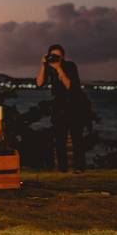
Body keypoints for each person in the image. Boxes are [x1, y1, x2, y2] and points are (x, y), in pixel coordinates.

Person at [35, 44, 86, 172]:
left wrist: (59, 69)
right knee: (59, 139)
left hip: (75, 105)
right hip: (59, 106)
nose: (55, 58)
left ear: (63, 56)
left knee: (77, 138)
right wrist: (42, 65)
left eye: (57, 56)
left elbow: (69, 85)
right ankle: (63, 168)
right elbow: (39, 83)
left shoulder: (70, 66)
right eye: (52, 55)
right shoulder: (49, 67)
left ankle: (79, 167)